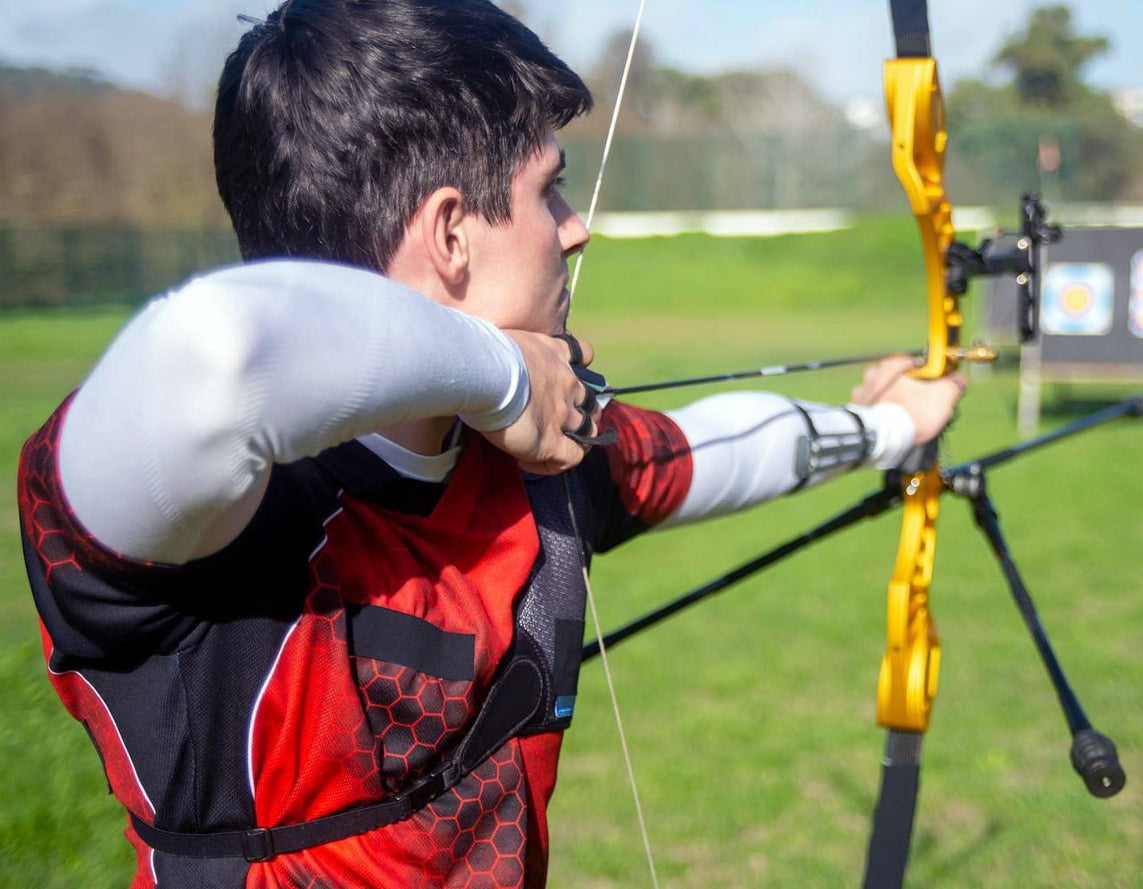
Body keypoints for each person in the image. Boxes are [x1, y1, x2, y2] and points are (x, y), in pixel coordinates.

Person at [15, 1, 964, 887]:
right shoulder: (208, 510)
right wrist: (498, 372)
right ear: (451, 234)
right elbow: (214, 354)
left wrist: (892, 426)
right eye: (550, 191)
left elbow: (712, 451)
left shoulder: (535, 462)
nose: (577, 228)